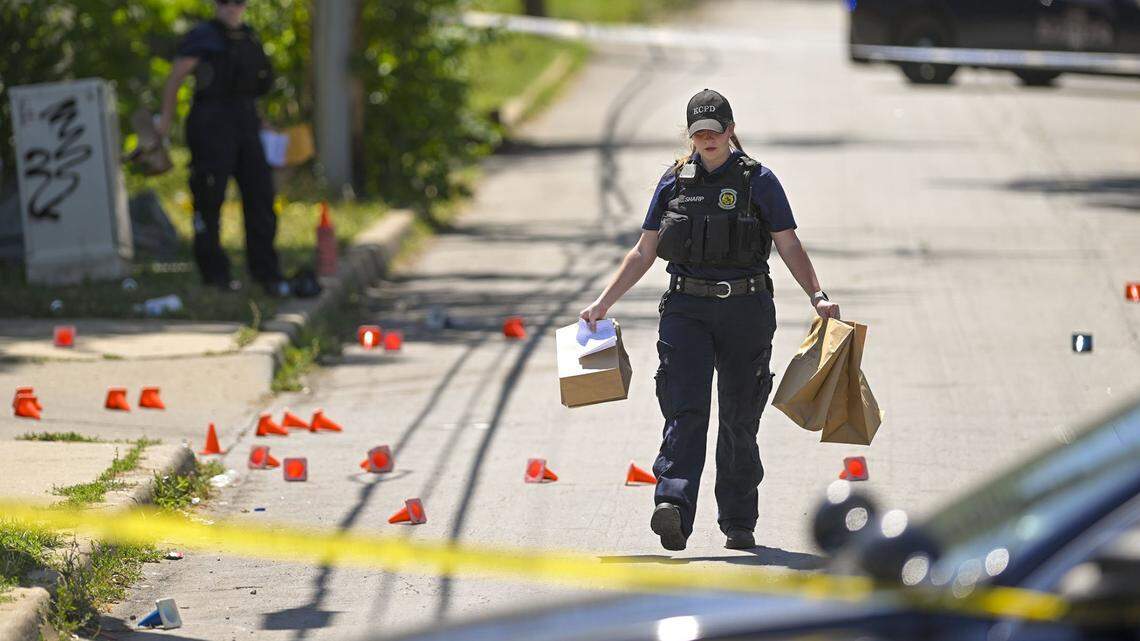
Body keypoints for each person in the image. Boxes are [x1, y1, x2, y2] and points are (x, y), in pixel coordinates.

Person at [579, 89, 841, 552]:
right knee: (685, 410)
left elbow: (789, 244)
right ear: (690, 136)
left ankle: (738, 520)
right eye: (698, 132)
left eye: (714, 131)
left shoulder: (759, 181)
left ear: (730, 130)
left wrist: (817, 296)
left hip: (746, 309)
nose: (706, 139)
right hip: (687, 309)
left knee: (740, 417)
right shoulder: (674, 181)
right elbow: (644, 251)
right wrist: (603, 303)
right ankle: (673, 508)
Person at [156, 0, 289, 296]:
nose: (231, 8)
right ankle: (215, 275)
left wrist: (264, 124)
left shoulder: (250, 38)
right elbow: (176, 77)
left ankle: (266, 272)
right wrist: (166, 118)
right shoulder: (204, 36)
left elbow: (248, 90)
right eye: (224, 2)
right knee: (209, 198)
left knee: (261, 197)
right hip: (211, 127)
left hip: (247, 125)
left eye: (238, 2)